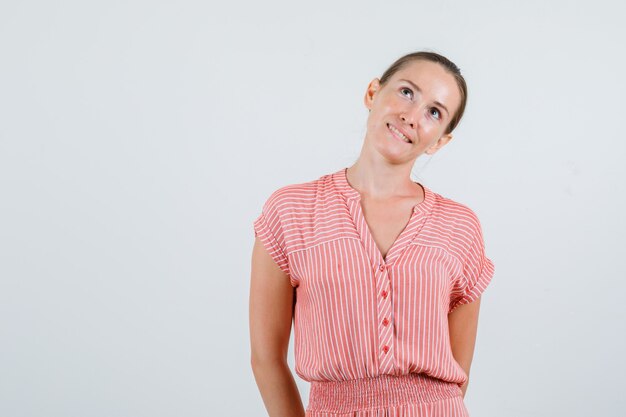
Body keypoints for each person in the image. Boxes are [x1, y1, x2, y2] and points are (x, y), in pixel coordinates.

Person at [249, 51, 495, 417]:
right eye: (407, 92)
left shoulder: (460, 226)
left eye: (434, 112)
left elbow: (459, 376)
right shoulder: (291, 211)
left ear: (440, 140)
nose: (411, 116)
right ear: (372, 93)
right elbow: (266, 358)